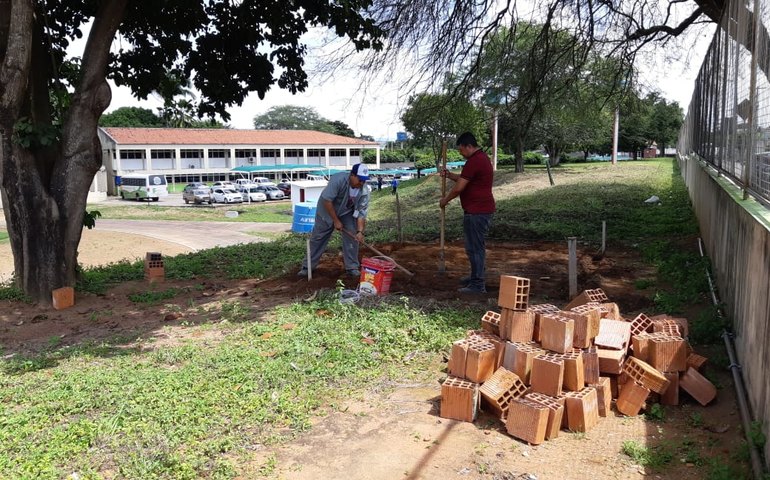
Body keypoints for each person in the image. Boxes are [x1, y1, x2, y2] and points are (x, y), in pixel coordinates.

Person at [439, 132, 495, 294]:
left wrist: (445, 200)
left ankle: (478, 284)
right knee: (476, 247)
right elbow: (465, 179)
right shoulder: (480, 159)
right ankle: (476, 276)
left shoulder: (474, 161)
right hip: (479, 210)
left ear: (469, 146)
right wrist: (449, 175)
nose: (461, 153)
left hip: (477, 212)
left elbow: (459, 188)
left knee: (474, 248)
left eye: (461, 150)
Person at [298, 163, 370, 277]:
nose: (362, 183)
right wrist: (336, 221)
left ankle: (352, 267)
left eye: (364, 180)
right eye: (360, 180)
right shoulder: (338, 180)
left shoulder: (364, 191)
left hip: (346, 212)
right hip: (326, 211)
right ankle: (307, 267)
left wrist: (360, 232)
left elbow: (361, 213)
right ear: (352, 175)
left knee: (352, 235)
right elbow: (327, 200)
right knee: (318, 237)